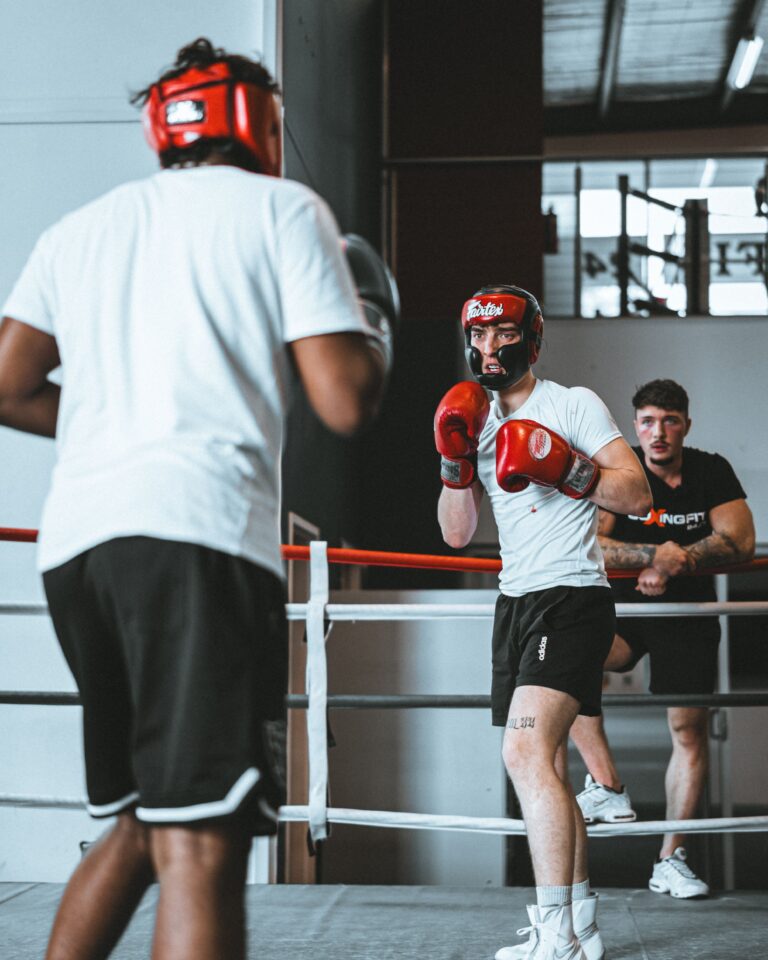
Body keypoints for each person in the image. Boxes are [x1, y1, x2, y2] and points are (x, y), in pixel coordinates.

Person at [0, 37, 395, 960]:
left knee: (145, 820)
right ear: (259, 121)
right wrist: (369, 321)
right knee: (204, 845)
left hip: (81, 552)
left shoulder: (84, 227)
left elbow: (9, 385)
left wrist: (117, 416)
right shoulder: (281, 210)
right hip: (196, 541)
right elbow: (344, 399)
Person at [434, 285, 651, 960]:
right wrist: (455, 462)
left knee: (524, 754)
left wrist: (568, 468)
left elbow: (638, 494)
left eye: (503, 334)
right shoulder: (470, 416)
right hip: (516, 602)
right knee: (548, 765)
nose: (489, 347)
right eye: (480, 336)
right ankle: (580, 928)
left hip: (572, 597)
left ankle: (554, 934)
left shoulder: (572, 404)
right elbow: (456, 532)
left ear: (531, 338)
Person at [570, 378, 755, 899]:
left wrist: (682, 560)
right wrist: (656, 557)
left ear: (685, 426)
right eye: (648, 421)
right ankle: (607, 786)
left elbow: (739, 537)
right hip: (624, 612)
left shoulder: (710, 469)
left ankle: (670, 859)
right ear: (635, 426)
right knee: (569, 656)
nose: (659, 432)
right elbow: (592, 545)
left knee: (689, 732)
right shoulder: (621, 470)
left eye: (670, 421)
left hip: (687, 615)